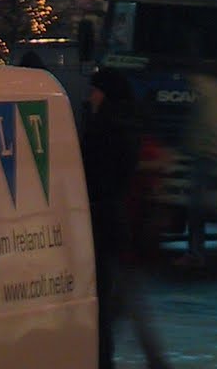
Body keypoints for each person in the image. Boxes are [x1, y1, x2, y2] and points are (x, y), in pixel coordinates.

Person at [80, 68, 172, 369]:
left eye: (95, 90)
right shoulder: (130, 127)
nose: (90, 96)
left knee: (113, 303)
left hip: (106, 224)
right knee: (117, 301)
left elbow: (94, 177)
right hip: (120, 225)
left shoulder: (105, 128)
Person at [176, 54, 217, 269]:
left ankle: (195, 253)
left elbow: (206, 128)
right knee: (200, 204)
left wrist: (188, 147)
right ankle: (196, 251)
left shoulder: (203, 93)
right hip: (210, 155)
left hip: (204, 156)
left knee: (196, 207)